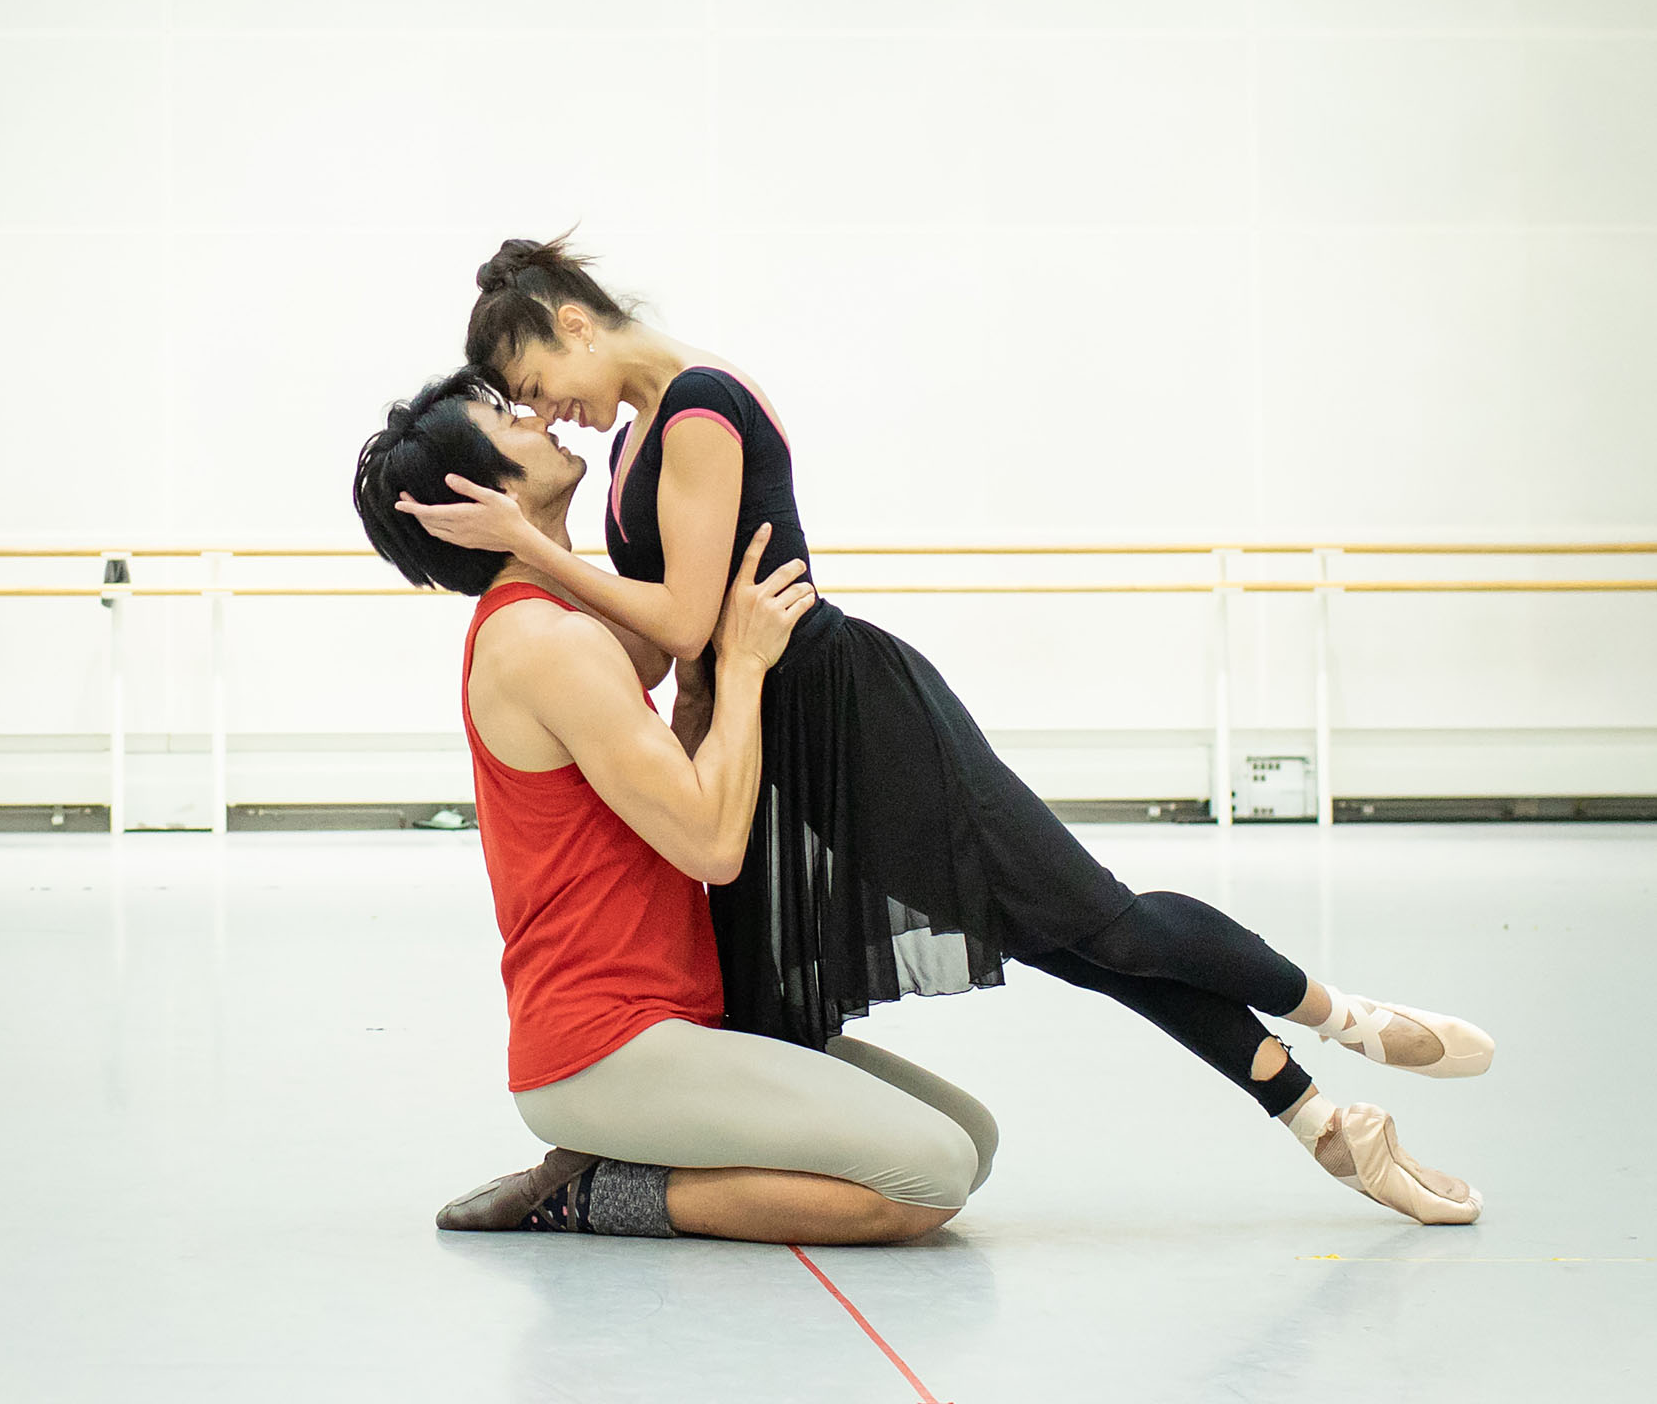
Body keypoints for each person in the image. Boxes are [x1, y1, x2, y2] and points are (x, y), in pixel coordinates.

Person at [392, 239, 1496, 1228]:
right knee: (1070, 944)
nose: (554, 415)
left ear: (571, 322)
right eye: (525, 410)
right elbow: (666, 645)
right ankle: (1321, 1124)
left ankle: (1341, 1018)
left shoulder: (698, 408)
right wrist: (531, 575)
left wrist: (529, 551)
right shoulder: (635, 445)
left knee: (1094, 922)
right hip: (766, 736)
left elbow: (686, 621)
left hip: (841, 711)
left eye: (541, 386)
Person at [354, 371, 999, 1245]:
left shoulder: (555, 615)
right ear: (481, 491)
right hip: (606, 1050)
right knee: (928, 1179)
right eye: (504, 420)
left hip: (678, 1022)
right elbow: (710, 844)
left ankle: (606, 1158)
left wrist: (699, 687)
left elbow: (669, 744)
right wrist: (740, 667)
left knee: (974, 1138)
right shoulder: (543, 642)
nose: (536, 417)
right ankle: (587, 1196)